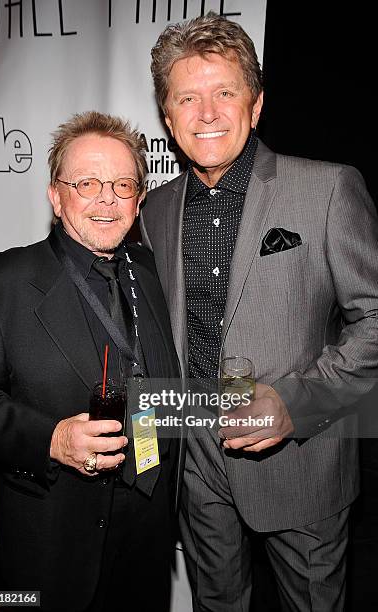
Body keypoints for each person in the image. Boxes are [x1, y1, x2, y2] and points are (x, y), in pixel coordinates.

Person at [140, 12, 378, 612]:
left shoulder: (326, 188)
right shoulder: (154, 209)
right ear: (168, 119)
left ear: (257, 103)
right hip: (193, 463)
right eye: (187, 98)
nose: (208, 113)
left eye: (225, 92)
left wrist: (294, 402)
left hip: (302, 465)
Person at [0, 111, 180, 612]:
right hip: (55, 541)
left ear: (140, 197)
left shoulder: (151, 273)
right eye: (86, 183)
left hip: (149, 533)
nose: (107, 199)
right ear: (55, 195)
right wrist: (51, 439)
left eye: (123, 184)